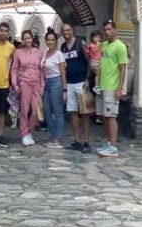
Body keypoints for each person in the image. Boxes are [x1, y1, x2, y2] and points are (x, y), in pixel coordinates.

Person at [97, 20, 128, 157]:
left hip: (112, 86)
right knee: (103, 116)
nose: (107, 32)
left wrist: (119, 88)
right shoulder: (103, 46)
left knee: (111, 116)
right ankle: (108, 142)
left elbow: (122, 69)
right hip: (102, 85)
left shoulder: (120, 47)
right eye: (105, 30)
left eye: (109, 29)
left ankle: (114, 146)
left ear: (115, 30)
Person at [61, 23, 91, 153]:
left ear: (72, 30)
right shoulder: (63, 47)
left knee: (84, 112)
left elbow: (89, 60)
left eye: (68, 29)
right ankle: (77, 139)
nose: (66, 32)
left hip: (81, 82)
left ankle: (86, 140)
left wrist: (88, 78)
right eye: (63, 31)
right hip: (70, 83)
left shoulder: (80, 43)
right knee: (73, 112)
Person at [11, 29, 44, 146]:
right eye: (24, 38)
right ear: (22, 40)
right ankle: (24, 133)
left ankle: (29, 130)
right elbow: (14, 69)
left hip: (36, 83)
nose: (27, 40)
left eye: (28, 38)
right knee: (24, 109)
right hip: (24, 83)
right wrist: (14, 84)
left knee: (35, 110)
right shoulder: (18, 52)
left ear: (32, 39)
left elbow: (41, 70)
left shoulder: (38, 52)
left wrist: (42, 85)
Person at [41, 31, 67, 148]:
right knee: (46, 111)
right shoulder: (45, 53)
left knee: (57, 112)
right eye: (48, 40)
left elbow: (62, 72)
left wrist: (64, 89)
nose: (50, 42)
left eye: (52, 40)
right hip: (47, 83)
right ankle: (53, 136)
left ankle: (58, 139)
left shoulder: (59, 54)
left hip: (56, 82)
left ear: (56, 41)